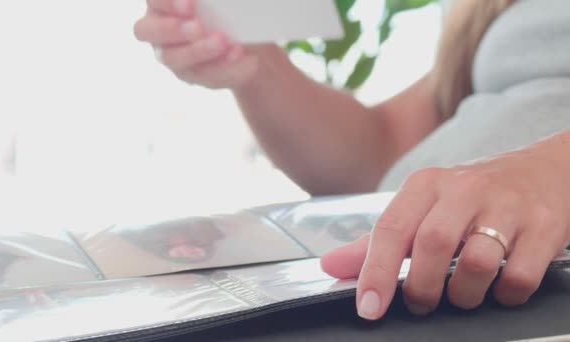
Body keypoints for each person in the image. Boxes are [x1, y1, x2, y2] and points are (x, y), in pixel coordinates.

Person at [133, 0, 570, 320]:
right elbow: (382, 154)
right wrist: (253, 60)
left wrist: (556, 171)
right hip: (395, 284)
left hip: (513, 292)